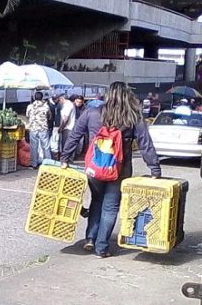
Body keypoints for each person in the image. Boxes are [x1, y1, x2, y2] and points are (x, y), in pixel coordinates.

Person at [61, 81, 161, 258]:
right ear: (126, 96)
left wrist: (65, 159)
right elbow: (146, 143)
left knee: (96, 201)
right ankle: (101, 247)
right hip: (120, 170)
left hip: (94, 168)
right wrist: (154, 169)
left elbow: (75, 135)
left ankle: (90, 238)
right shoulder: (133, 117)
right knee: (110, 207)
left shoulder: (92, 113)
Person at [26, 92, 51, 169]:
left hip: (33, 128)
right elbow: (49, 116)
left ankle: (34, 164)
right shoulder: (46, 106)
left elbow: (27, 115)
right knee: (45, 146)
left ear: (34, 97)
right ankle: (48, 164)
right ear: (42, 97)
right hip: (43, 128)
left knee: (34, 147)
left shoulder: (30, 106)